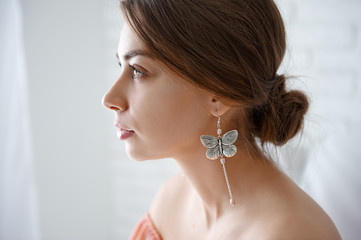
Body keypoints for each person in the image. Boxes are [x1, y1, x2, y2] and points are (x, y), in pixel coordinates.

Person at [102, 0, 341, 239]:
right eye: (120, 65)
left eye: (137, 70)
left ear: (219, 95)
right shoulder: (169, 200)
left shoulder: (292, 232)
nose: (110, 98)